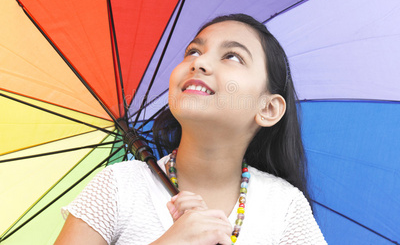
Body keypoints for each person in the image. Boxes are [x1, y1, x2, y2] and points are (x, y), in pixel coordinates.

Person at [55, 14, 327, 244]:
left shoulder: (284, 206)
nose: (199, 62)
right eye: (193, 51)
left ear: (267, 109)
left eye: (232, 56)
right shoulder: (119, 186)